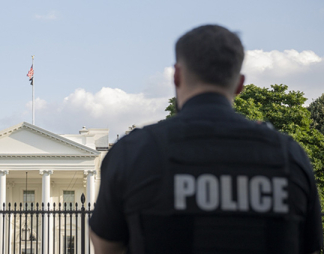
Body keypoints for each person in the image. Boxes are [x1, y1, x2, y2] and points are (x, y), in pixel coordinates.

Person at [89, 25, 323, 254]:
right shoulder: (290, 156)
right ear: (240, 84)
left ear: (177, 75)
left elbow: (106, 246)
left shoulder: (134, 152)